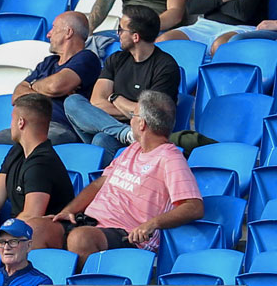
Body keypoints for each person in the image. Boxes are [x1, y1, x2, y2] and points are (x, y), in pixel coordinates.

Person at [47, 91, 203, 264]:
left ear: (142, 124)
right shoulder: (132, 149)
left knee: (80, 239)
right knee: (36, 229)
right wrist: (69, 210)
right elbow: (101, 182)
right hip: (91, 222)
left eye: (133, 115)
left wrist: (152, 224)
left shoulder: (170, 158)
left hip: (127, 234)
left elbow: (194, 207)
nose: (131, 120)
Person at [0, 98, 76, 254]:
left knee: (1, 248)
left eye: (12, 119)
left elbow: (31, 214)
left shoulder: (42, 163)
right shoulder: (17, 151)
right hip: (9, 233)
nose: (11, 125)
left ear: (21, 122)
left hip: (27, 240)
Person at [66, 5, 181, 152]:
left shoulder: (165, 67)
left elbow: (148, 116)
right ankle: (124, 133)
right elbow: (96, 102)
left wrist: (114, 98)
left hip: (143, 135)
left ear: (135, 37)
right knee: (72, 102)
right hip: (118, 130)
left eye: (121, 29)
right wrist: (132, 111)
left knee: (101, 139)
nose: (117, 33)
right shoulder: (116, 59)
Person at [0, 14, 99, 148]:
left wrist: (32, 87)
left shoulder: (86, 58)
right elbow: (16, 96)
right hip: (27, 125)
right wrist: (44, 89)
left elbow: (56, 86)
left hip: (60, 128)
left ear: (68, 32)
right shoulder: (48, 62)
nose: (48, 35)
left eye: (53, 29)